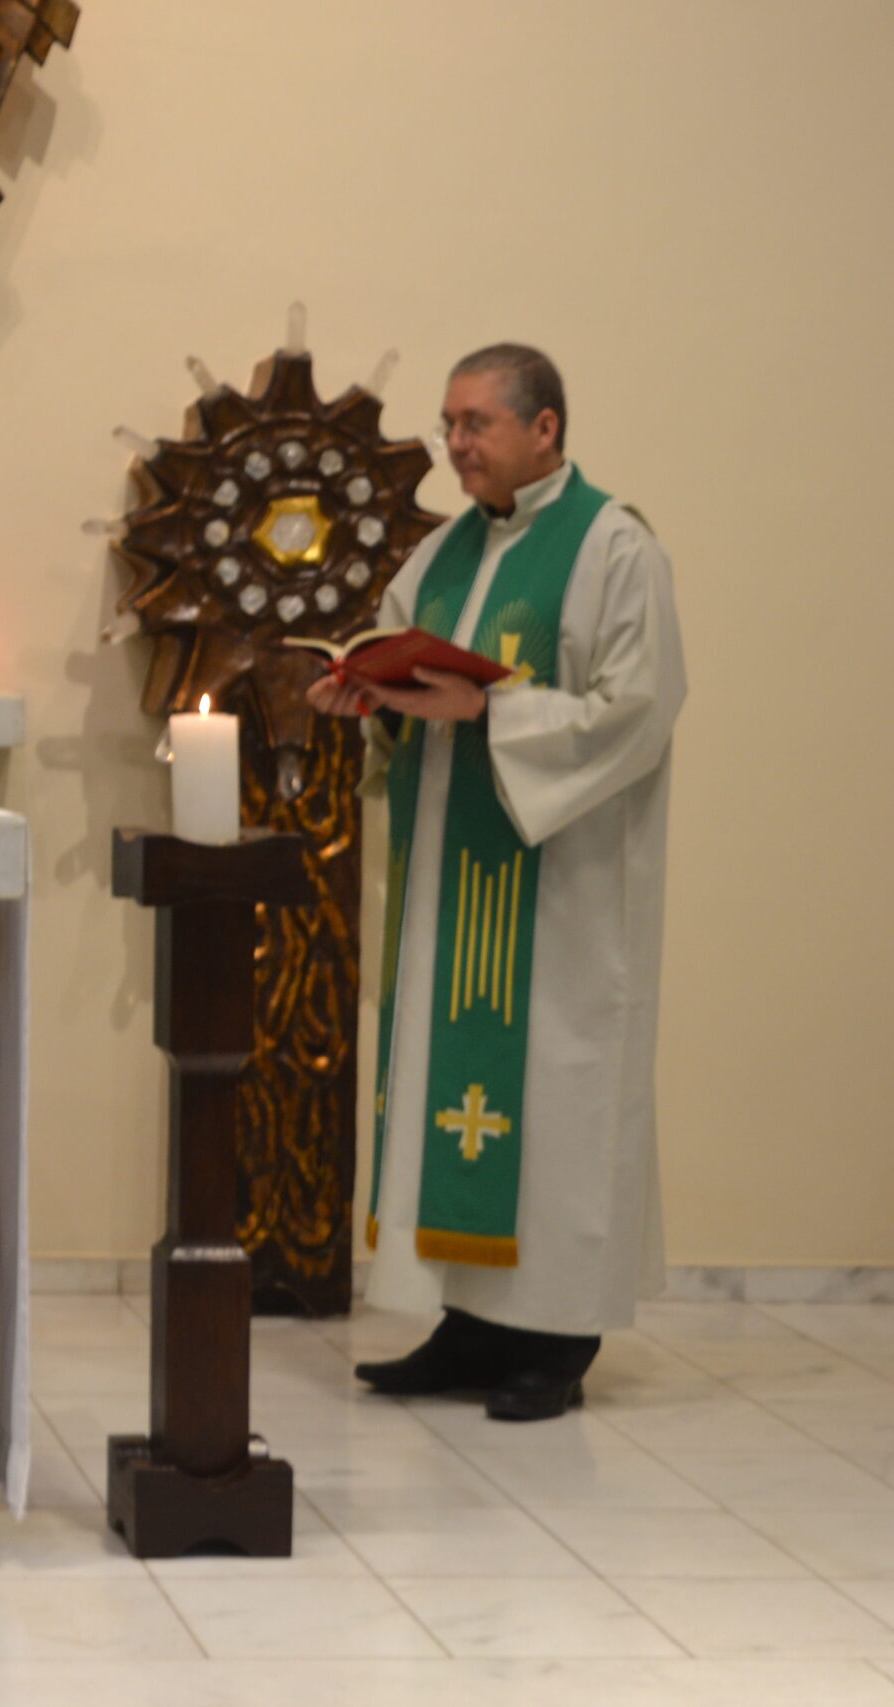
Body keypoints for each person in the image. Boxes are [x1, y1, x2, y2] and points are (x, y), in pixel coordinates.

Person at [307, 344, 684, 1421]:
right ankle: (469, 1325)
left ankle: (556, 1340)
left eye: (475, 424)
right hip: (451, 886)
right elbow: (407, 672)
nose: (456, 445)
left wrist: (493, 710)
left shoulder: (613, 547)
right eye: (449, 425)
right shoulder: (442, 553)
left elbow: (639, 708)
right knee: (452, 1090)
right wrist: (368, 699)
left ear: (545, 427)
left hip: (560, 894)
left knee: (557, 1097)